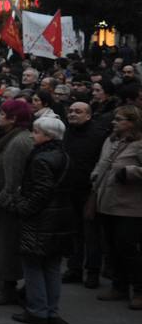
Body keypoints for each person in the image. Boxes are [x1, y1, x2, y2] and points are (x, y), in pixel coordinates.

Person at [9, 115, 73, 324]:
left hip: (40, 220)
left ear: (47, 135)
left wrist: (23, 207)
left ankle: (37, 309)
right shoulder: (62, 155)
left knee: (34, 266)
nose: (32, 135)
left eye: (36, 132)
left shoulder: (41, 158)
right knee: (52, 266)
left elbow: (41, 191)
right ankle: (51, 309)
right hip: (58, 218)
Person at [0, 99, 35, 307]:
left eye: (2, 114)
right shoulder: (6, 138)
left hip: (8, 206)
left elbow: (15, 176)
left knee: (8, 248)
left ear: (13, 119)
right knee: (1, 247)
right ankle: (7, 285)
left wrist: (7, 198)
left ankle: (9, 287)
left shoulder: (19, 141)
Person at [90, 104, 142, 308]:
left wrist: (130, 172)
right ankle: (119, 286)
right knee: (112, 248)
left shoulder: (139, 144)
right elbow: (102, 163)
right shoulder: (110, 140)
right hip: (107, 201)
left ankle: (138, 288)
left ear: (131, 123)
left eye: (119, 119)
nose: (114, 122)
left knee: (128, 247)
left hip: (130, 207)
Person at [63, 101, 107, 288]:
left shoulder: (98, 135)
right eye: (71, 111)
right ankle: (74, 268)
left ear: (88, 115)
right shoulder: (67, 133)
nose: (73, 114)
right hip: (69, 189)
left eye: (78, 111)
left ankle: (93, 271)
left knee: (91, 234)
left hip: (89, 191)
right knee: (74, 232)